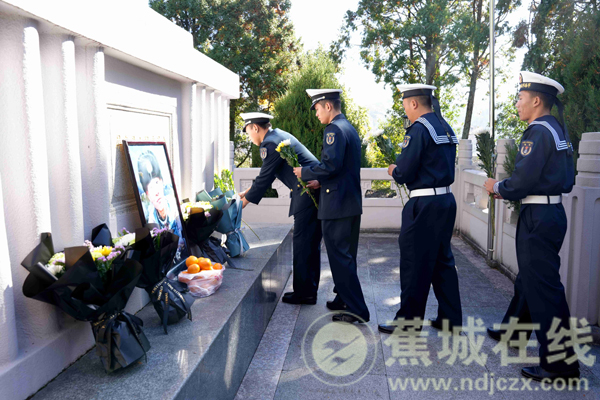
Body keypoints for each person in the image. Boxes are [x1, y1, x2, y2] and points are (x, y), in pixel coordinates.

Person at [483, 71, 579, 382]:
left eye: (520, 98)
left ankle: (560, 364)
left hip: (538, 215)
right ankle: (515, 332)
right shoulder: (557, 130)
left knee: (544, 288)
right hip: (549, 214)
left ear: (536, 101)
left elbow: (522, 181)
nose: (516, 104)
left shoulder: (538, 132)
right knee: (530, 279)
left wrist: (497, 186)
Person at [378, 84, 462, 335]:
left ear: (414, 103)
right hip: (445, 201)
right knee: (442, 261)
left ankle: (408, 322)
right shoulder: (444, 126)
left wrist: (394, 169)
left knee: (415, 263)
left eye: (405, 104)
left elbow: (404, 172)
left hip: (423, 204)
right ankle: (451, 319)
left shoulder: (418, 129)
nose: (405, 109)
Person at [293, 89, 369, 324]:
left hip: (337, 205)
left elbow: (330, 165)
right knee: (346, 255)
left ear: (327, 106)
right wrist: (320, 180)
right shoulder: (348, 127)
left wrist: (304, 172)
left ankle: (357, 309)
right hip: (349, 202)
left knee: (340, 257)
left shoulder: (334, 130)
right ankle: (343, 298)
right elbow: (341, 169)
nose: (316, 114)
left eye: (316, 109)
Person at [239, 112, 323, 305]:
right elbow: (267, 174)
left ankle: (304, 293)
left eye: (248, 131)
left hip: (307, 193)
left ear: (255, 128)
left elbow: (264, 179)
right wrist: (246, 193)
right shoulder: (277, 136)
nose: (249, 136)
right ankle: (308, 290)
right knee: (310, 244)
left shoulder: (269, 143)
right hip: (311, 192)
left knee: (304, 244)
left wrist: (239, 206)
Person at [137, 150, 183, 239]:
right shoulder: (152, 218)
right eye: (151, 188)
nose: (156, 192)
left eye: (157, 183)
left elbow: (181, 233)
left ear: (162, 183)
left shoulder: (173, 204)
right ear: (148, 195)